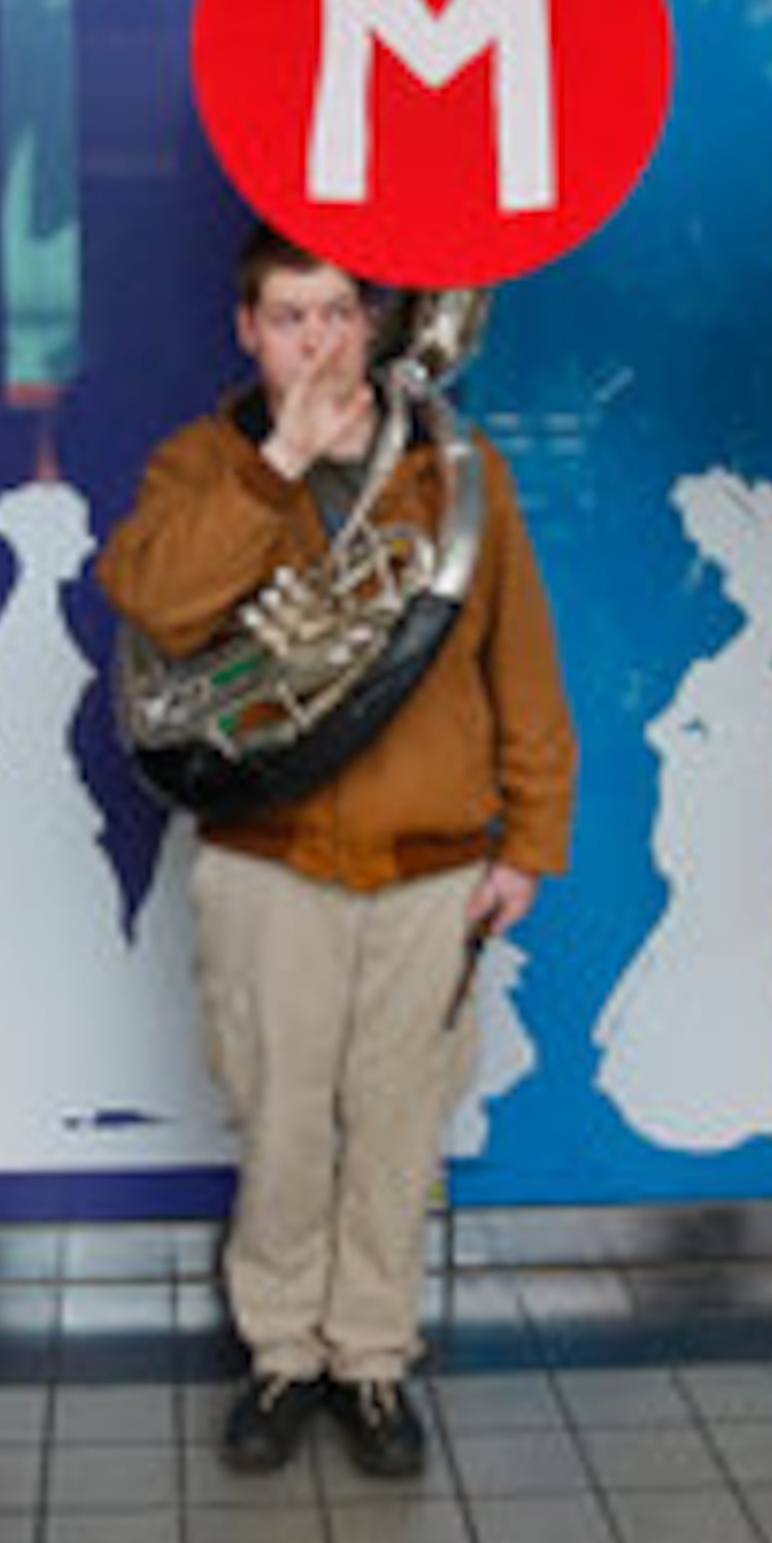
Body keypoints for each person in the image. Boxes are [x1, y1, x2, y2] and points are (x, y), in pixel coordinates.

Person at [99, 230, 574, 1480]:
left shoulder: (462, 475)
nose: (319, 341)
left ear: (373, 327)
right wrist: (281, 467)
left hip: (428, 871)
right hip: (268, 864)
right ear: (245, 333)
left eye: (340, 315)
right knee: (281, 1123)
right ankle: (281, 1354)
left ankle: (370, 1360)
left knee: (399, 1130)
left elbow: (520, 664)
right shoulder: (203, 461)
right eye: (291, 317)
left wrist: (530, 839)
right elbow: (153, 599)